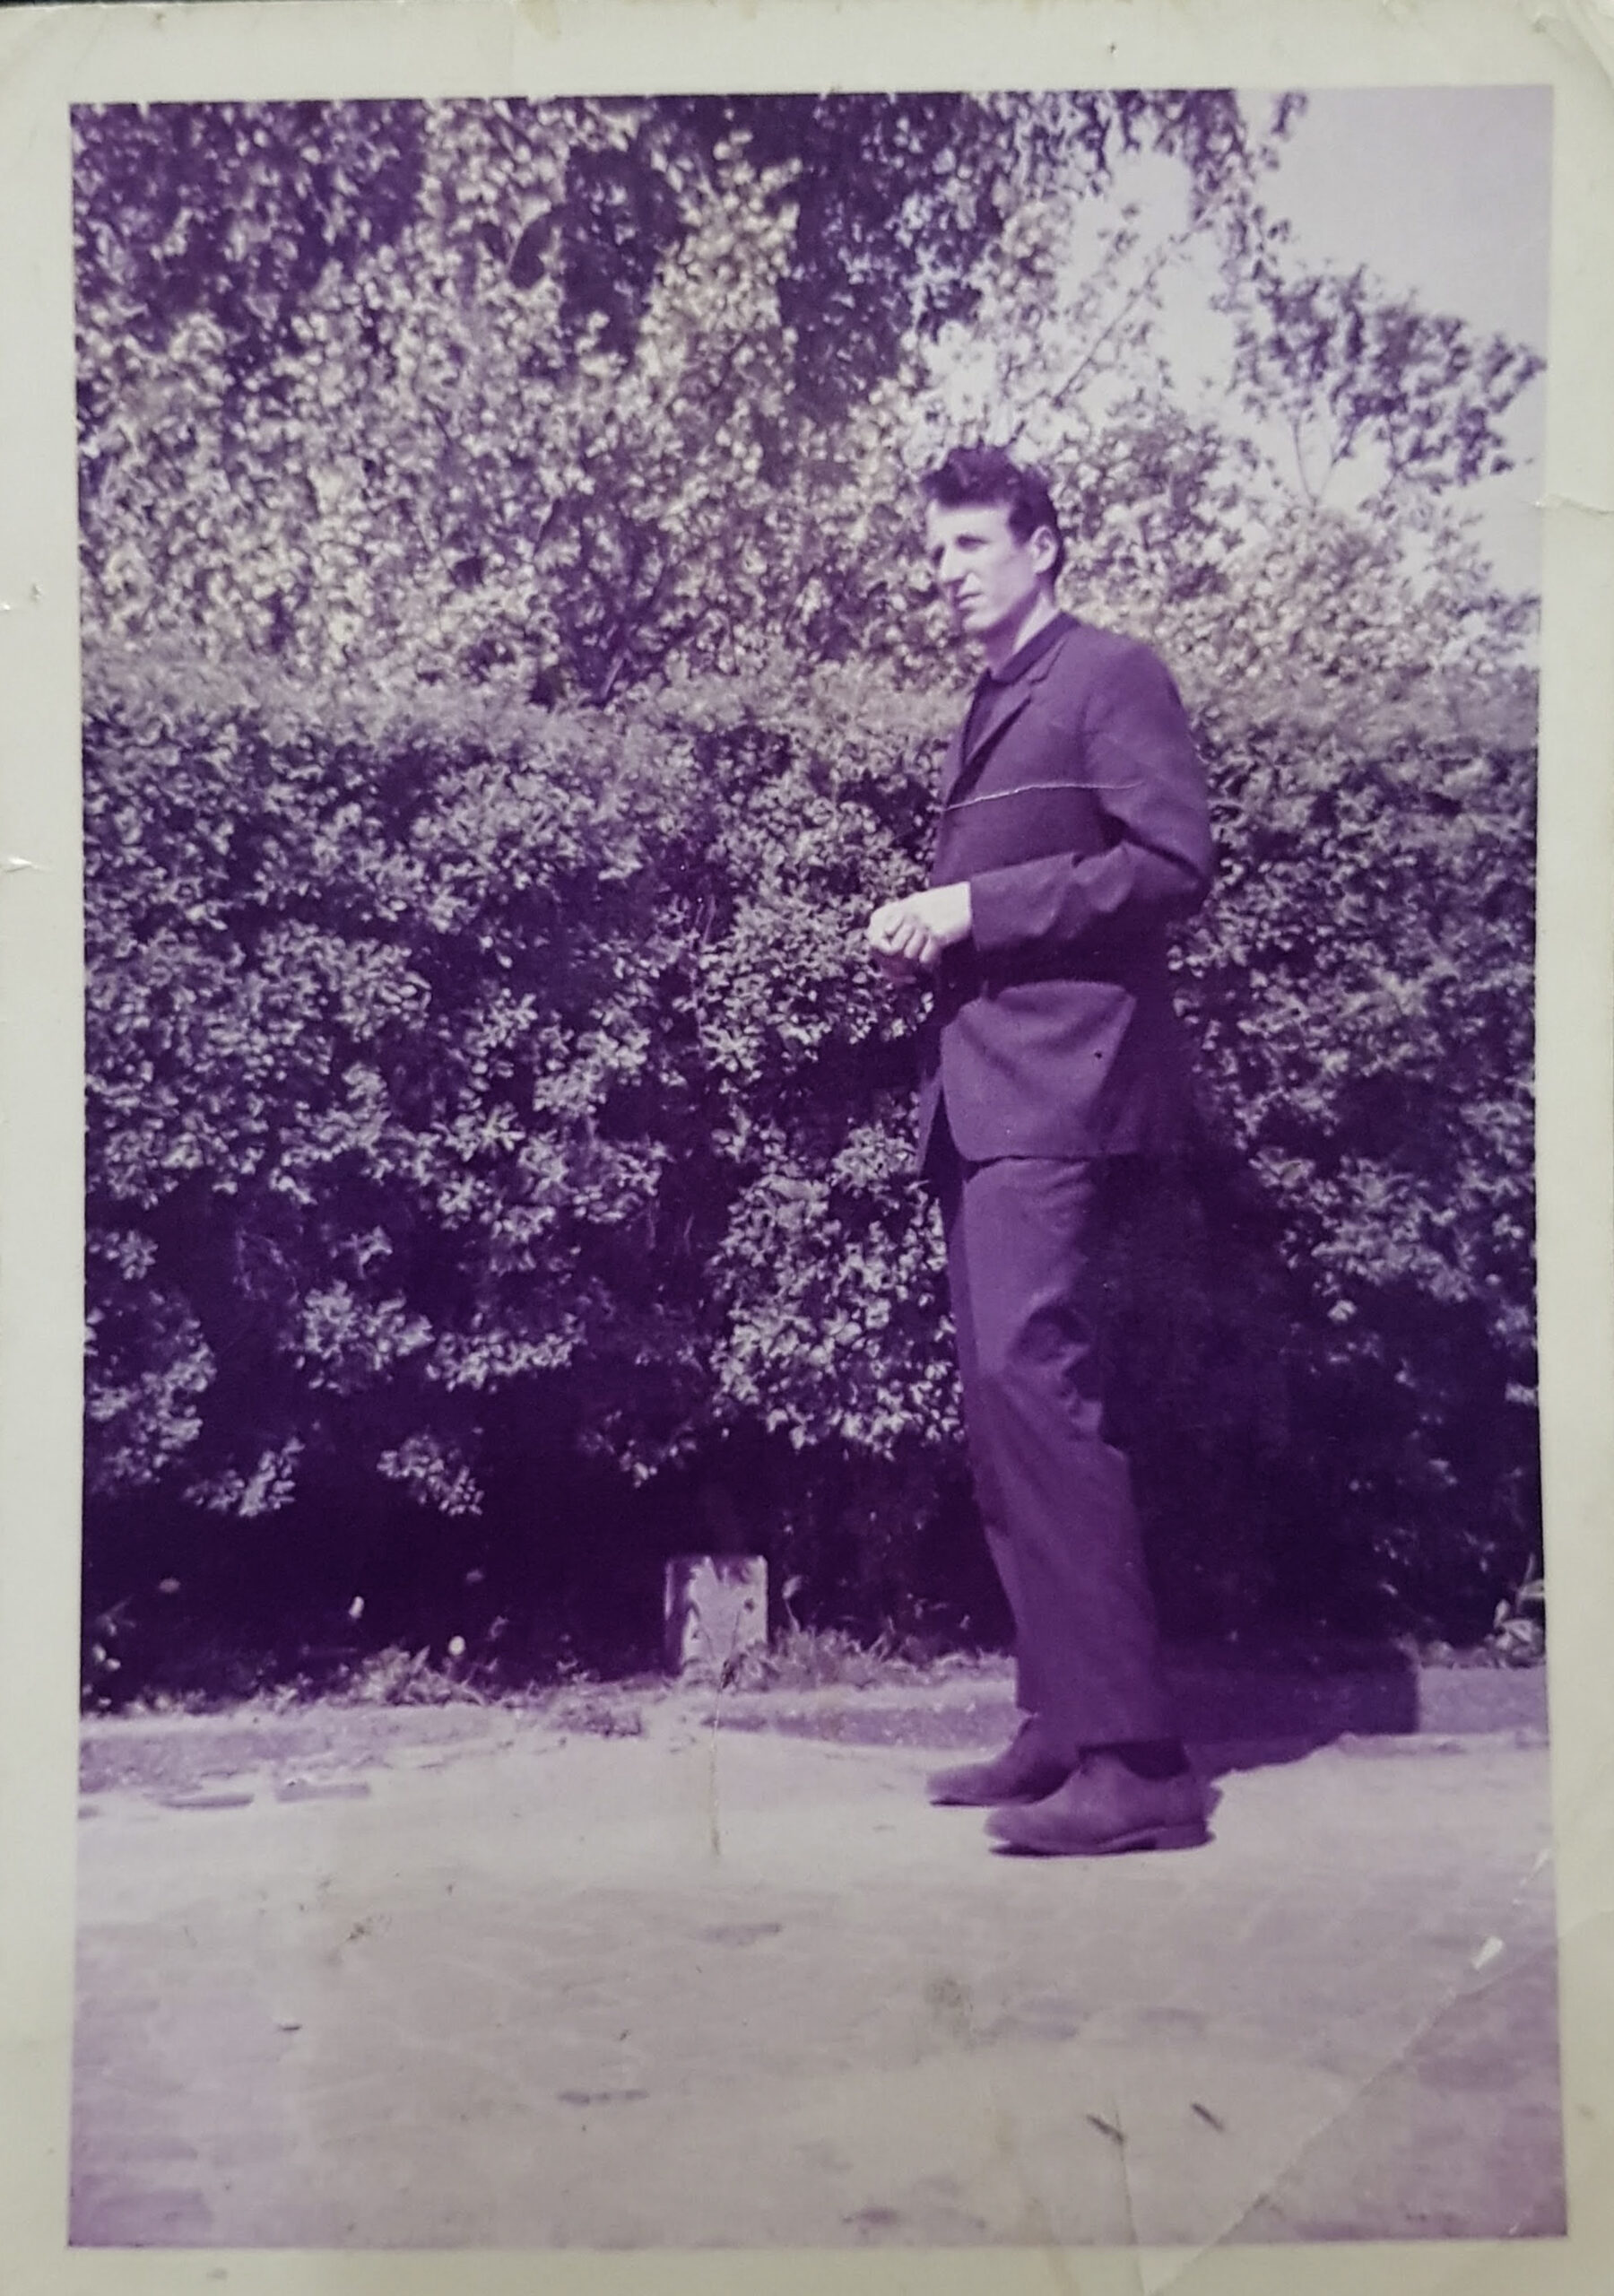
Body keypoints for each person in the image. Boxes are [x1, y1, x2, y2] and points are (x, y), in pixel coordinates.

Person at [867, 444, 1214, 1856]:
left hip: (1063, 1098)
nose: (943, 572)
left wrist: (971, 914)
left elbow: (1170, 863)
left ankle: (1135, 1766)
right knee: (1004, 1408)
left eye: (967, 546)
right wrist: (938, 935)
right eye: (935, 550)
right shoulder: (998, 695)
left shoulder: (1109, 674)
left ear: (1043, 545)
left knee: (1037, 1387)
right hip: (990, 1095)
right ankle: (1064, 1721)